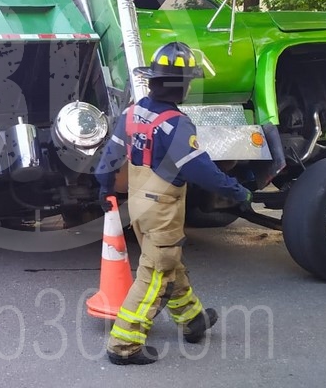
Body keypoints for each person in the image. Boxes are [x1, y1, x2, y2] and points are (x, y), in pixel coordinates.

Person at [95, 42, 253, 365]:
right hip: (162, 209)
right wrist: (238, 192)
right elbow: (201, 169)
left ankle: (192, 320)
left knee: (168, 263)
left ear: (153, 80)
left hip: (138, 206)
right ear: (181, 85)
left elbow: (109, 157)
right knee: (155, 272)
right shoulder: (176, 125)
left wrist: (104, 186)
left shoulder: (132, 113)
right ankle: (123, 346)